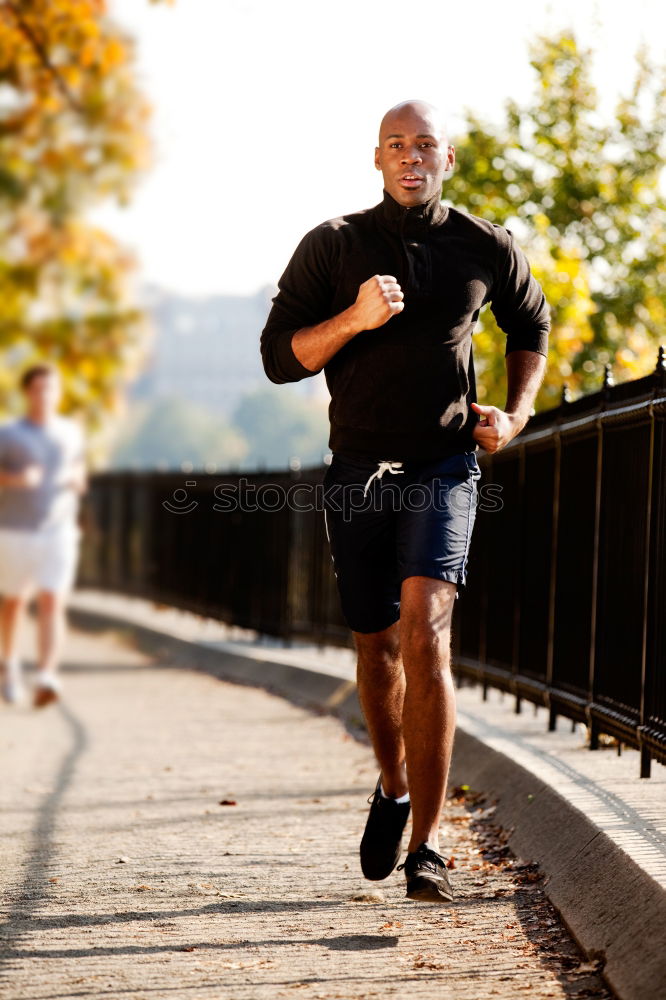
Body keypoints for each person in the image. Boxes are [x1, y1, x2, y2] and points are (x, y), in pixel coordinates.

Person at [260, 100, 549, 902]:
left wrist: (516, 413)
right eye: (397, 145)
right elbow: (280, 357)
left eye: (425, 145)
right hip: (356, 469)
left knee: (425, 629)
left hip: (445, 465)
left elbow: (532, 322)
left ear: (447, 159)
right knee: (376, 645)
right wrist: (353, 318)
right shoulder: (334, 244)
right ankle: (391, 784)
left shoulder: (483, 245)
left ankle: (428, 843)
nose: (411, 157)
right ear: (377, 159)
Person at [0, 363, 87, 708]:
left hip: (59, 530)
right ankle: (9, 667)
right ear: (27, 393)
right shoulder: (9, 435)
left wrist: (77, 480)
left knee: (53, 600)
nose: (46, 396)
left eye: (51, 389)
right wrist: (15, 479)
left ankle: (47, 675)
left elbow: (78, 466)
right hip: (14, 531)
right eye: (39, 389)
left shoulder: (70, 432)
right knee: (14, 602)